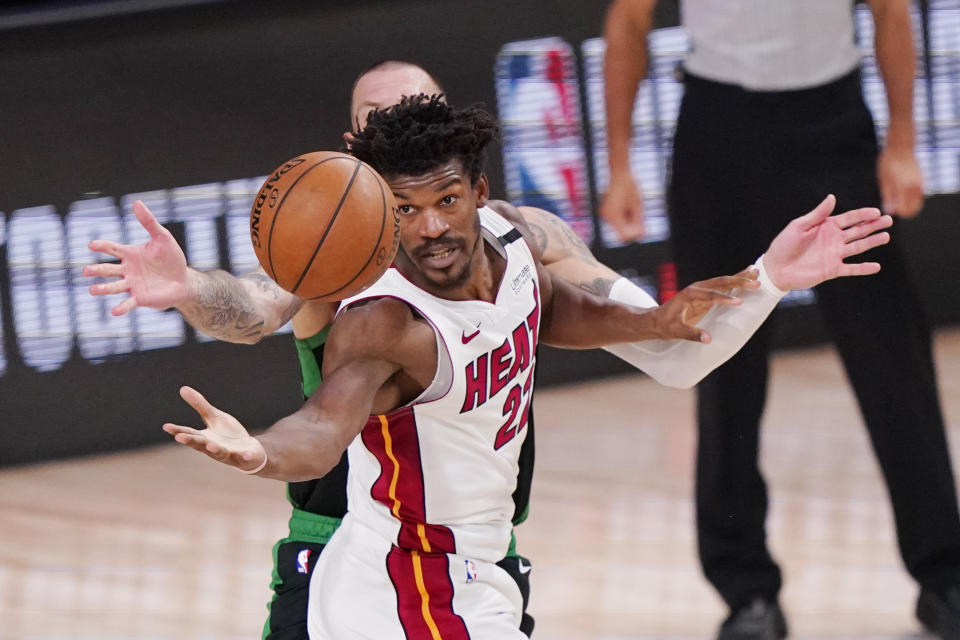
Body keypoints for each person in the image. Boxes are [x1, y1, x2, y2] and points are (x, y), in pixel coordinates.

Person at [157, 94, 890, 639]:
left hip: (476, 571)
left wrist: (766, 278)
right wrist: (258, 451)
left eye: (446, 200)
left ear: (479, 194)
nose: (433, 226)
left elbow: (664, 351)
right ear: (381, 213)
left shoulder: (515, 256)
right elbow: (322, 428)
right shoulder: (384, 321)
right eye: (406, 211)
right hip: (409, 584)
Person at [601, 1, 960, 638]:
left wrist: (902, 142)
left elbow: (891, 12)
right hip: (718, 128)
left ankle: (945, 576)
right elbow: (628, 22)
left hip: (832, 122)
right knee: (720, 362)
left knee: (892, 360)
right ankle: (747, 595)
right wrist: (621, 165)